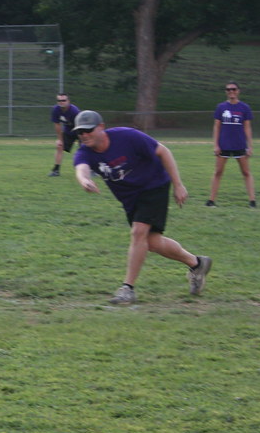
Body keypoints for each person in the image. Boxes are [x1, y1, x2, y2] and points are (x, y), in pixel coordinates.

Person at [72, 110, 211, 304]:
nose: (84, 135)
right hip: (130, 198)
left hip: (154, 185)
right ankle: (197, 263)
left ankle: (127, 289)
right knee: (151, 242)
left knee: (138, 233)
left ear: (101, 127)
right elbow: (81, 169)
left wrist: (178, 184)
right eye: (80, 132)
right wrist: (84, 180)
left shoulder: (127, 136)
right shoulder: (85, 151)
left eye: (88, 130)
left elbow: (163, 151)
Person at [206, 81, 256, 208]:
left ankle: (252, 201)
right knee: (218, 172)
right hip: (224, 145)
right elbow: (216, 127)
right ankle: (211, 201)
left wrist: (250, 146)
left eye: (233, 89)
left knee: (246, 172)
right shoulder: (221, 107)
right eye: (228, 90)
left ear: (238, 91)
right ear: (226, 92)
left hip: (240, 145)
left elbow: (247, 128)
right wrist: (216, 145)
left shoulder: (244, 108)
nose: (231, 92)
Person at [49, 93, 81, 176]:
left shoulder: (74, 111)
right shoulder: (56, 110)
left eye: (63, 100)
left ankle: (92, 169)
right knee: (59, 146)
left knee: (85, 149)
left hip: (80, 129)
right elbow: (57, 124)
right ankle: (56, 170)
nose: (61, 102)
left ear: (68, 101)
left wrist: (82, 138)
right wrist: (60, 139)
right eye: (59, 100)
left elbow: (80, 124)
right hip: (68, 130)